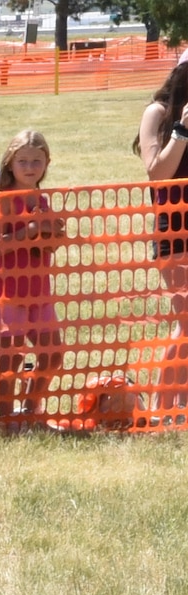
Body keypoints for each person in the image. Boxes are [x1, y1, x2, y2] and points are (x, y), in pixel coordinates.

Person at [0, 130, 67, 424]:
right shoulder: (3, 199)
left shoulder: (41, 199)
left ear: (47, 163)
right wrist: (30, 231)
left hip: (39, 291)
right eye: (23, 161)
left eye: (37, 161)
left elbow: (45, 248)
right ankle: (7, 420)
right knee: (11, 359)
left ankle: (31, 410)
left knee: (53, 354)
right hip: (8, 293)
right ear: (10, 163)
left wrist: (54, 234)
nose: (30, 167)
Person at [137, 62, 188, 422]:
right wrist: (182, 130)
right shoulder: (157, 113)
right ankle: (162, 408)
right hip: (175, 230)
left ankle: (176, 406)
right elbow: (157, 174)